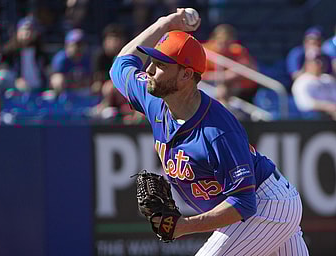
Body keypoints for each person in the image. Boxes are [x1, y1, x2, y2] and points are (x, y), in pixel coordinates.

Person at [109, 8, 309, 255]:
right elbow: (121, 65)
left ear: (185, 75)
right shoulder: (154, 100)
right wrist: (164, 24)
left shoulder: (217, 131)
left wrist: (184, 226)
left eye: (160, 64)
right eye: (151, 61)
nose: (149, 69)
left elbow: (244, 203)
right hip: (261, 207)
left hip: (267, 205)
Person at [201, 24, 258, 103]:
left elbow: (249, 68)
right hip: (206, 87)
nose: (224, 46)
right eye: (221, 41)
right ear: (213, 38)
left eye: (228, 42)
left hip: (238, 91)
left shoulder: (236, 50)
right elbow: (201, 76)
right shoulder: (204, 51)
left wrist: (227, 77)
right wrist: (225, 75)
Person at [3, 16, 49, 92]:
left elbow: (48, 69)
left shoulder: (40, 51)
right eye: (25, 29)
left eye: (31, 30)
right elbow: (3, 71)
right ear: (18, 31)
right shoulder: (9, 51)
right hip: (16, 89)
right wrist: (15, 80)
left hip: (39, 89)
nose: (28, 33)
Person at [292, 53, 336, 120]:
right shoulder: (301, 81)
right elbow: (305, 104)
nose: (320, 64)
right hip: (315, 115)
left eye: (321, 61)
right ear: (307, 65)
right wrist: (327, 106)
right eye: (316, 62)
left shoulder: (328, 79)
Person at [50, 28, 92, 94]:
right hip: (65, 90)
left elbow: (88, 78)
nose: (78, 47)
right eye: (75, 44)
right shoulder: (61, 59)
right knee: (58, 80)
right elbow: (55, 78)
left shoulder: (86, 58)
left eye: (81, 44)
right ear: (67, 45)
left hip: (81, 89)